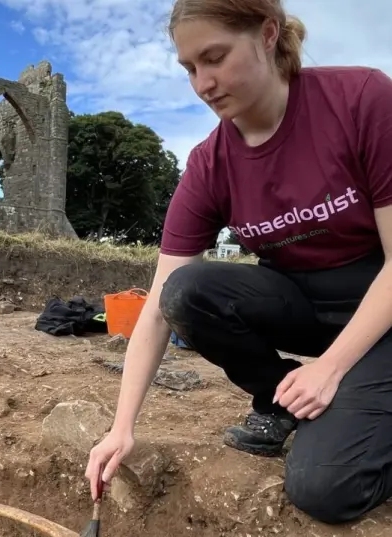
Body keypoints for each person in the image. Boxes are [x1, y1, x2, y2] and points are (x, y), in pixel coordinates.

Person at [85, 0, 392, 526]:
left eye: (215, 57)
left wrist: (332, 369)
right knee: (187, 290)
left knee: (325, 488)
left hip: (380, 306)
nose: (203, 83)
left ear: (268, 34)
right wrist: (122, 427)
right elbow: (160, 306)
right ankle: (279, 398)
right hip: (301, 302)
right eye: (189, 68)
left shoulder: (361, 99)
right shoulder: (210, 164)